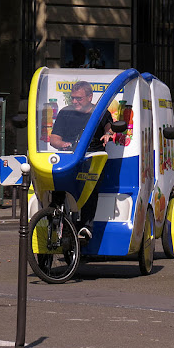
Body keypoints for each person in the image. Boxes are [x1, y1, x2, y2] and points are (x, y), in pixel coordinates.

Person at [50, 81, 115, 241]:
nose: (75, 102)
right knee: (57, 187)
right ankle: (58, 222)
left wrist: (109, 134)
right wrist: (63, 144)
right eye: (73, 98)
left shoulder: (101, 112)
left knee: (89, 188)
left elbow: (110, 129)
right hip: (70, 156)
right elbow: (54, 139)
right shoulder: (65, 113)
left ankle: (86, 227)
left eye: (78, 98)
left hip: (92, 157)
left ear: (90, 97)